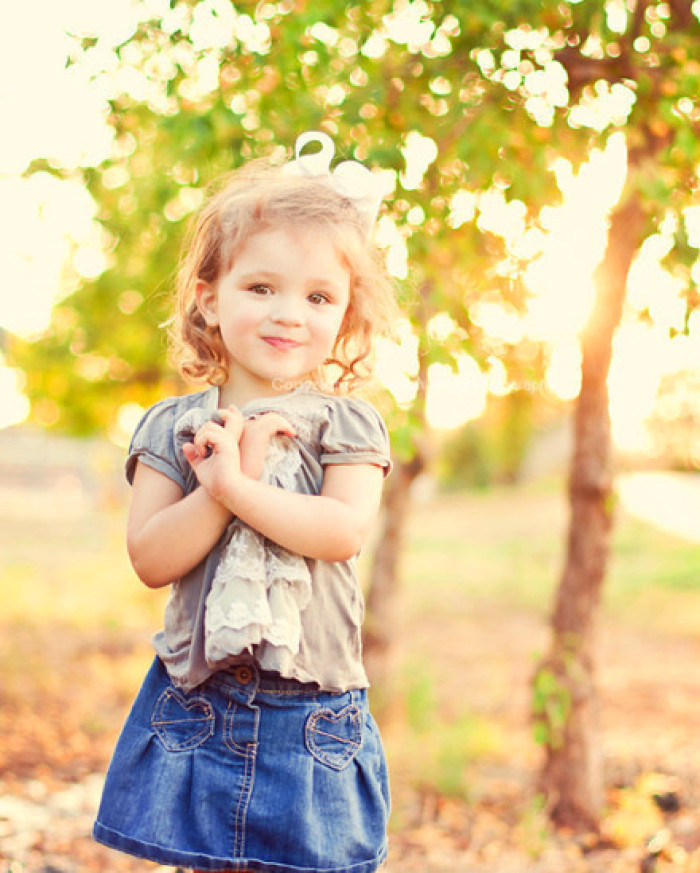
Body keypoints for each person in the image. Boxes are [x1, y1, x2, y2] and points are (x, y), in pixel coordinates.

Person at [93, 131, 398, 873]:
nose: (289, 313)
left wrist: (238, 486)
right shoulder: (173, 425)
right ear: (209, 298)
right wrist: (214, 494)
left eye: (318, 296)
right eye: (261, 287)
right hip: (197, 707)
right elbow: (151, 557)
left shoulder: (347, 422)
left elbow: (341, 530)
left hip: (311, 717)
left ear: (346, 315)